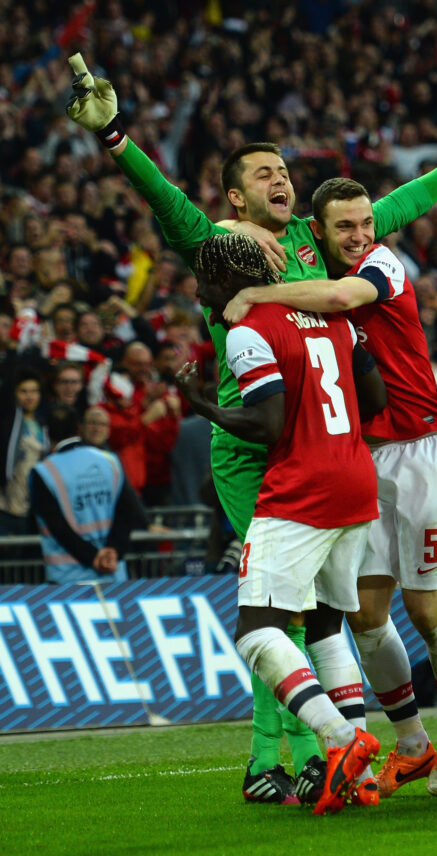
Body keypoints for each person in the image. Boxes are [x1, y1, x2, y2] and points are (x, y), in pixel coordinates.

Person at [65, 52, 437, 804]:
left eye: (283, 170)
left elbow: (398, 207)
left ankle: (323, 751)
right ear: (233, 197)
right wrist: (114, 134)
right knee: (285, 614)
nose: (279, 180)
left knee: (313, 617)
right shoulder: (219, 245)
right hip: (255, 446)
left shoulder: (312, 242)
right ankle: (284, 757)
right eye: (262, 174)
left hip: (328, 447)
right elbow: (163, 196)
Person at [221, 177, 437, 798]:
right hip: (366, 458)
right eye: (345, 226)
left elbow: (340, 296)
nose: (360, 233)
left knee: (424, 609)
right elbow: (241, 228)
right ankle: (413, 744)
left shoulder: (379, 263)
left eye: (366, 221)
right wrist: (236, 227)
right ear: (318, 230)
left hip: (424, 449)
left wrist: (254, 291)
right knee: (363, 616)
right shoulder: (307, 276)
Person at [175, 233, 386, 814]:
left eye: (202, 282)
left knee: (256, 631)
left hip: (303, 489)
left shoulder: (248, 330)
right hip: (355, 480)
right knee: (322, 627)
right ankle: (361, 777)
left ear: (224, 283)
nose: (198, 292)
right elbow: (374, 396)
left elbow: (267, 423)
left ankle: (343, 741)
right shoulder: (327, 316)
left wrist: (204, 407)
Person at [29, 404, 147, 585]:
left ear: (48, 434)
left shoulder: (43, 472)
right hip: (113, 574)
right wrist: (113, 551)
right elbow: (127, 510)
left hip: (67, 579)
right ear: (79, 429)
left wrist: (93, 558)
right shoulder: (110, 460)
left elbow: (58, 526)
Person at [0, 371, 48, 535]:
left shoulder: (43, 425)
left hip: (31, 507)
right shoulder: (7, 422)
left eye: (34, 391)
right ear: (14, 394)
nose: (30, 396)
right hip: (6, 505)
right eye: (24, 391)